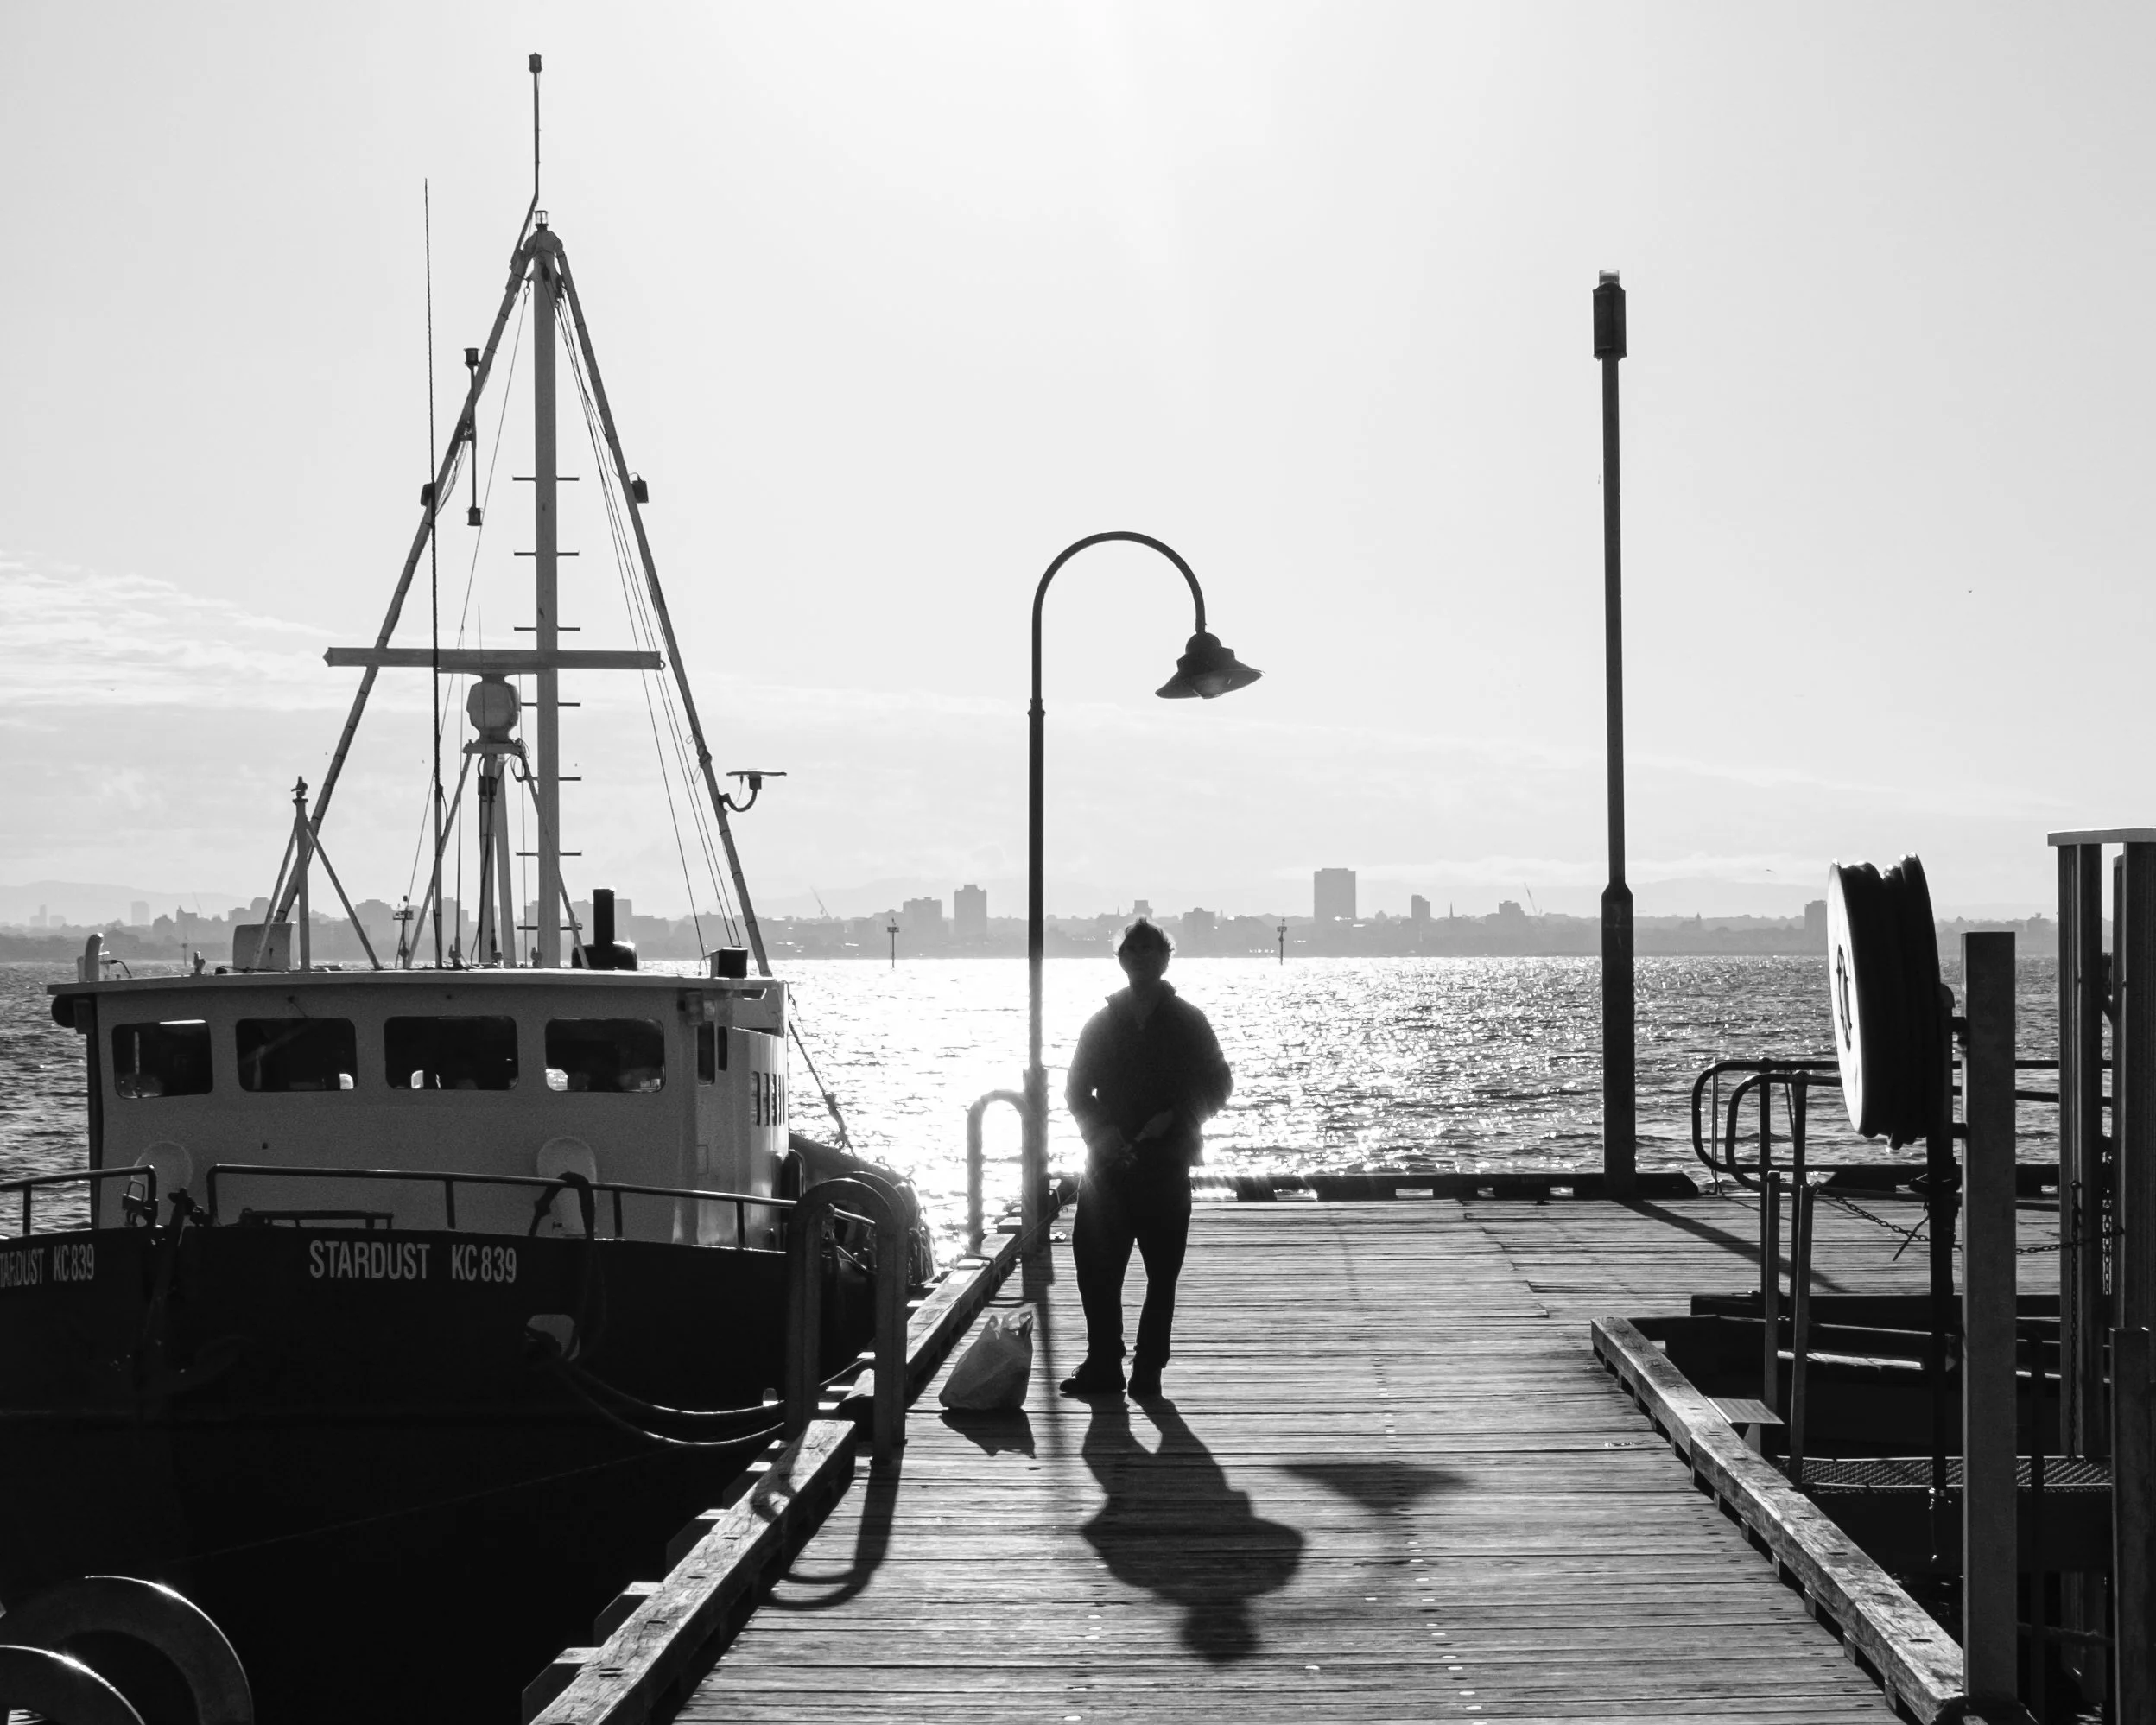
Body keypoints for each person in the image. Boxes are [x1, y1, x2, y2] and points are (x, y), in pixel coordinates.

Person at [1060, 918, 1233, 1400]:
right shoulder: (1100, 1023)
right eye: (1131, 950)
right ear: (1120, 959)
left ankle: (1149, 1370)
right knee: (1095, 1270)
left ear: (1166, 957)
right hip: (1107, 1168)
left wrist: (1177, 1118)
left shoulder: (1189, 1020)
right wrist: (1102, 1131)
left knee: (1162, 1276)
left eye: (1149, 950)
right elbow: (1076, 1091)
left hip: (1166, 1165)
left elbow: (1220, 1084)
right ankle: (1103, 1365)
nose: (1140, 957)